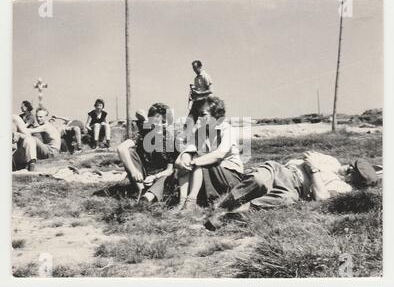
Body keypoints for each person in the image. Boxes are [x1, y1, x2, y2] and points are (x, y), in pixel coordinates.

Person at [204, 151, 379, 230]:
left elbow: (321, 197)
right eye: (351, 166)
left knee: (285, 200)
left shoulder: (344, 188)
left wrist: (314, 171)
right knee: (259, 180)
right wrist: (314, 173)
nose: (347, 169)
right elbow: (307, 157)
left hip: (296, 189)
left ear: (355, 181)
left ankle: (228, 217)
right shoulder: (332, 161)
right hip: (283, 170)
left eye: (351, 172)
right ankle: (223, 206)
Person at [175, 96, 244, 213]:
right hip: (210, 171)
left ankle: (190, 202)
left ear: (215, 114)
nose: (200, 118)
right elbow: (190, 149)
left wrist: (193, 162)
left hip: (230, 175)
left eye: (204, 114)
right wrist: (182, 160)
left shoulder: (227, 129)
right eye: (199, 115)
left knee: (199, 159)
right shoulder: (200, 131)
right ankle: (181, 202)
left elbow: (219, 155)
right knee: (188, 159)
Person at [117, 103, 178, 204]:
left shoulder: (170, 140)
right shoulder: (143, 134)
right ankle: (140, 190)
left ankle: (148, 198)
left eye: (163, 122)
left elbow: (169, 170)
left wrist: (155, 177)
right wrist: (134, 172)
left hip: (160, 177)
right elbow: (121, 148)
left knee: (169, 176)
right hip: (142, 177)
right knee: (129, 151)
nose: (159, 126)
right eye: (155, 122)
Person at [12, 107, 61, 171]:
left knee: (32, 139)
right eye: (37, 117)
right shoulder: (48, 126)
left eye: (41, 117)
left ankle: (31, 164)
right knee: (30, 139)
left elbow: (27, 131)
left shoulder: (45, 127)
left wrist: (16, 131)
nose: (38, 119)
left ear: (46, 117)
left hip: (51, 151)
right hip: (52, 150)